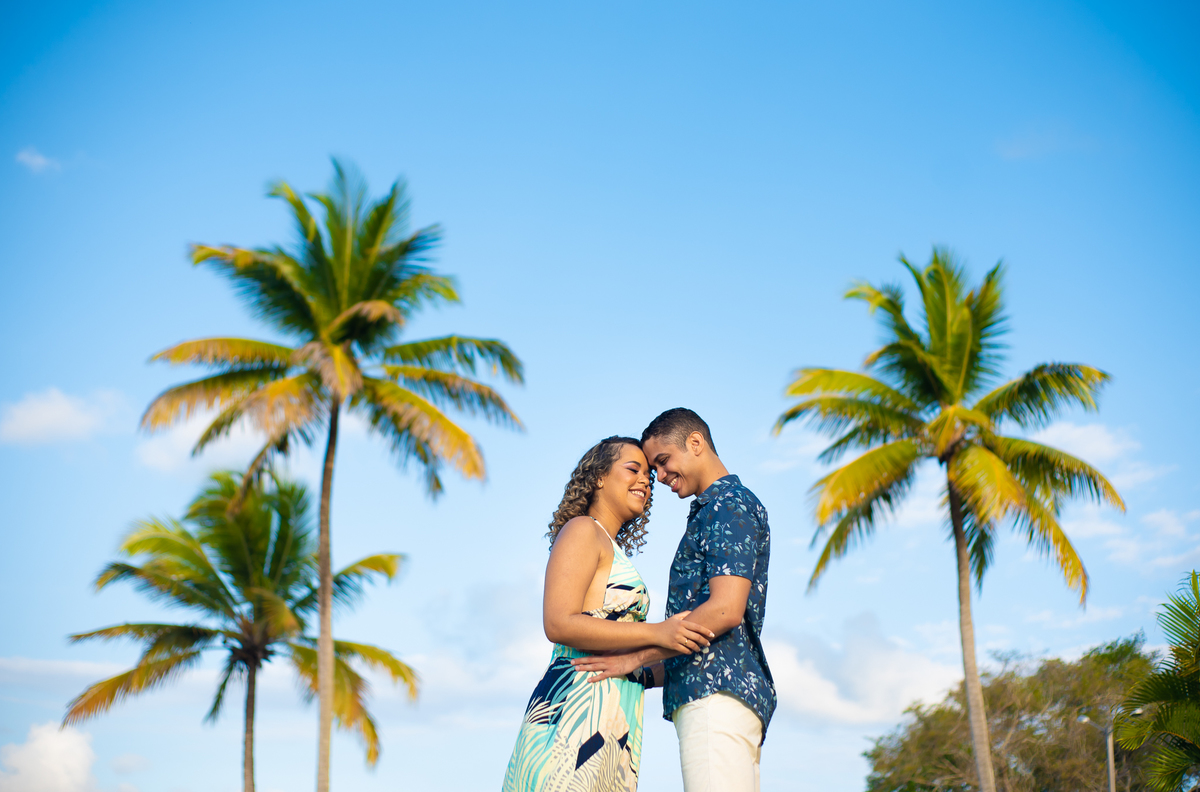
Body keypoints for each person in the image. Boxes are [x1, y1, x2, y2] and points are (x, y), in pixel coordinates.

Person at [572, 410, 775, 792]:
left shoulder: (726, 505)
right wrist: (634, 670)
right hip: (718, 693)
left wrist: (636, 656)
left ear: (695, 443)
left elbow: (724, 611)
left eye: (662, 462)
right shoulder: (714, 510)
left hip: (715, 697)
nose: (658, 478)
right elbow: (696, 639)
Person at [503, 435, 716, 792]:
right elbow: (558, 622)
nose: (646, 480)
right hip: (572, 716)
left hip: (612, 725)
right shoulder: (583, 530)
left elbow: (625, 656)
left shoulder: (610, 547)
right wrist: (656, 633)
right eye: (633, 469)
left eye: (649, 475)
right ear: (599, 476)